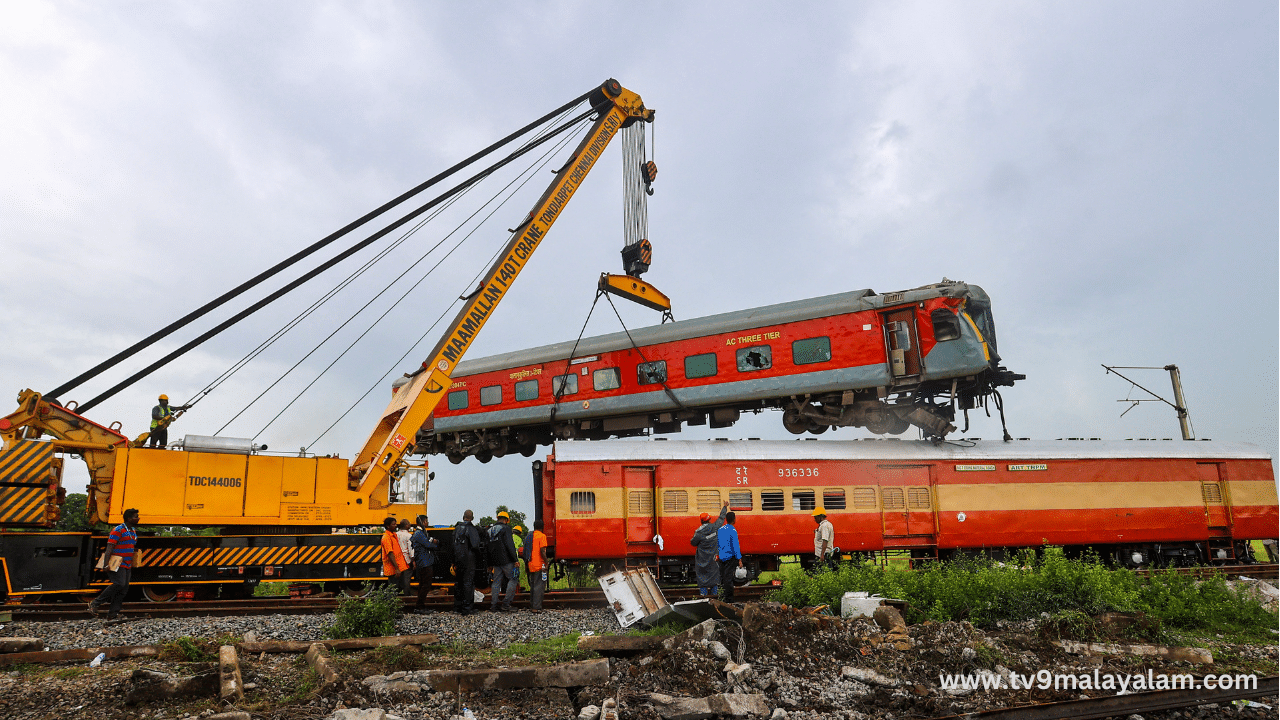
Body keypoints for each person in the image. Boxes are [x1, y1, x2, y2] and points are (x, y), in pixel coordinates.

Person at [88, 508, 140, 620]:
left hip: (127, 564)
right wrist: (106, 564)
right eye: (136, 516)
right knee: (119, 584)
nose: (138, 518)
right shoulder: (118, 530)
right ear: (129, 518)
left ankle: (113, 614)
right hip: (117, 563)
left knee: (124, 588)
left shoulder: (133, 531)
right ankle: (95, 603)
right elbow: (109, 547)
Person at [690, 501, 729, 596]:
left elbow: (693, 543)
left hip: (702, 558)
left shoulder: (698, 532)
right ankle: (714, 596)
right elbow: (721, 519)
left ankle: (703, 596)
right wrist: (724, 507)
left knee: (702, 576)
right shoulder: (714, 527)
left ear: (701, 521)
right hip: (713, 557)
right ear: (709, 520)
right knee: (714, 576)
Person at [487, 511, 518, 612]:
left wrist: (489, 563)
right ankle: (506, 604)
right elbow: (510, 545)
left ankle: (493, 605)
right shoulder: (506, 528)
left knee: (496, 582)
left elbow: (487, 548)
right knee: (513, 579)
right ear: (506, 520)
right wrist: (515, 560)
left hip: (495, 561)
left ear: (498, 518)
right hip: (506, 560)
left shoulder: (489, 530)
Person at [452, 510, 481, 615]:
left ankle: (457, 607)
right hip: (469, 561)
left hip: (458, 560)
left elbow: (452, 545)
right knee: (468, 584)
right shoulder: (471, 529)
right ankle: (467, 608)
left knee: (459, 583)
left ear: (463, 516)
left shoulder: (457, 528)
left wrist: (454, 561)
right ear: (472, 518)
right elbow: (475, 545)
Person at [410, 515, 438, 614]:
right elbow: (428, 545)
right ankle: (419, 607)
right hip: (424, 562)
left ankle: (420, 606)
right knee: (425, 585)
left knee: (423, 585)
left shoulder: (421, 533)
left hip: (424, 561)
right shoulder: (419, 533)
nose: (427, 523)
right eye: (426, 521)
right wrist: (435, 544)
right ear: (422, 522)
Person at [717, 511, 743, 603]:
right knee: (728, 579)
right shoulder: (733, 530)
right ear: (734, 519)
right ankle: (729, 600)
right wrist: (739, 559)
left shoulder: (720, 529)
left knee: (723, 578)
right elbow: (735, 546)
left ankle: (722, 596)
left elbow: (718, 544)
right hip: (730, 558)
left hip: (721, 557)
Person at [380, 517, 409, 592]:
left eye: (395, 524)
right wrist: (397, 568)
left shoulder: (393, 536)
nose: (396, 525)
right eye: (393, 524)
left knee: (400, 587)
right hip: (393, 569)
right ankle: (389, 603)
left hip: (399, 567)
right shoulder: (386, 538)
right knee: (393, 589)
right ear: (387, 526)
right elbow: (390, 553)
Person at [527, 520, 549, 612]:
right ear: (542, 527)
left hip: (530, 564)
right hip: (539, 565)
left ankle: (532, 605)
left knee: (533, 586)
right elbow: (542, 551)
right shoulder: (542, 536)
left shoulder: (529, 536)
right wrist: (546, 562)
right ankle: (536, 608)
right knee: (539, 586)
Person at [396, 519, 415, 594]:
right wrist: (413, 560)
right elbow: (411, 549)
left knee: (398, 579)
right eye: (409, 524)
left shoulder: (396, 534)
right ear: (406, 525)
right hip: (406, 559)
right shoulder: (409, 535)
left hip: (397, 559)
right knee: (406, 578)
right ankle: (407, 595)